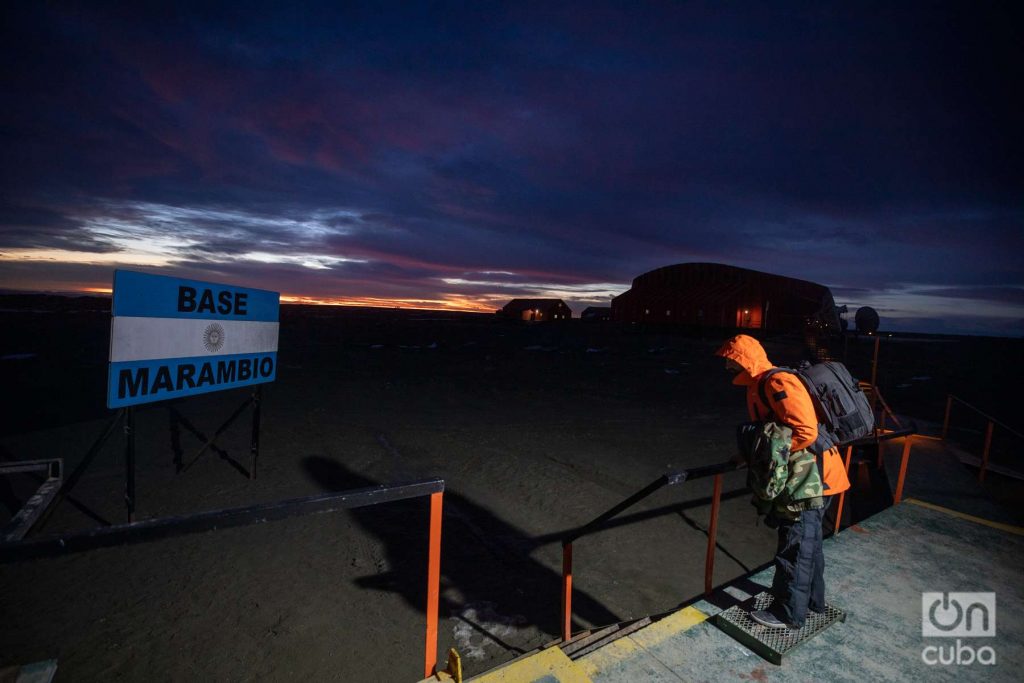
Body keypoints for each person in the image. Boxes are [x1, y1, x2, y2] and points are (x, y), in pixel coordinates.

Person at [716, 334, 850, 629]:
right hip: (812, 477)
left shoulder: (777, 383)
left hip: (812, 479)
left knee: (796, 546)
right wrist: (746, 455)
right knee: (809, 545)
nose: (727, 366)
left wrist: (766, 456)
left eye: (731, 360)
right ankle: (813, 603)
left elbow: (805, 432)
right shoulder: (759, 385)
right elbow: (773, 432)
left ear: (744, 359)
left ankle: (787, 612)